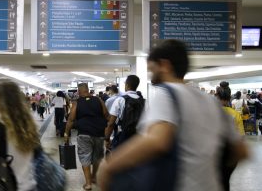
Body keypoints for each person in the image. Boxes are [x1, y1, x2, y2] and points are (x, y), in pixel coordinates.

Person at [97, 39, 248, 191]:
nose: (150, 75)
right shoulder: (212, 102)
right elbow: (241, 151)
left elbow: (157, 141)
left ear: (164, 65)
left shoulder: (167, 94)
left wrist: (109, 166)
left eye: (152, 69)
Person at [64, 83, 109, 191]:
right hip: (99, 133)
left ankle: (88, 184)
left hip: (84, 133)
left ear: (79, 92)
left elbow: (71, 119)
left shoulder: (77, 103)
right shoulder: (99, 100)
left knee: (85, 156)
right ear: (88, 90)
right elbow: (106, 114)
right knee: (97, 156)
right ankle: (94, 177)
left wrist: (66, 133)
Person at [104, 75, 144, 149]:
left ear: (127, 85)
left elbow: (111, 123)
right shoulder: (144, 101)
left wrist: (107, 138)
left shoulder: (121, 100)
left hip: (124, 137)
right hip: (139, 137)